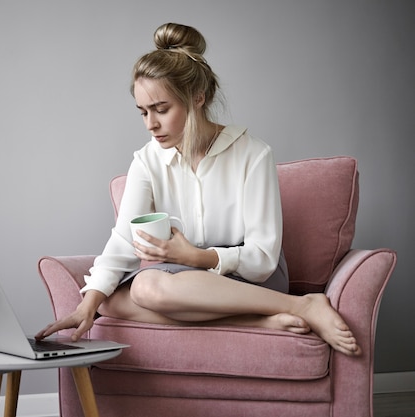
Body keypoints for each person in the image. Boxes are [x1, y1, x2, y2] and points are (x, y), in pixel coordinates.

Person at [36, 23, 361, 356]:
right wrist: (87, 305)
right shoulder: (147, 160)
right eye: (143, 112)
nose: (151, 124)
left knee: (147, 287)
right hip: (183, 280)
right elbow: (123, 241)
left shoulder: (253, 153)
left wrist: (196, 256)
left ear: (197, 98)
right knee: (110, 302)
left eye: (161, 109)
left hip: (250, 276)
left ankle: (302, 305)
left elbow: (263, 258)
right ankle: (260, 321)